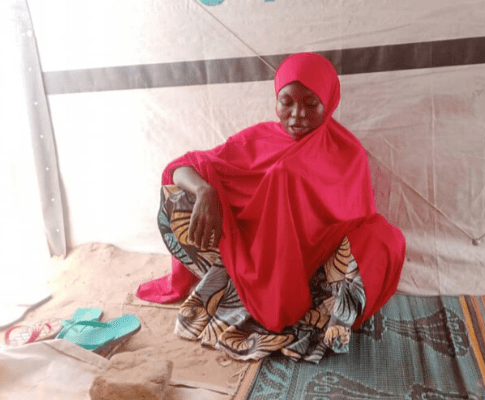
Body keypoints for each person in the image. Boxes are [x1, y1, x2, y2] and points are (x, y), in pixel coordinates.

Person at [137, 52, 406, 363]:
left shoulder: (348, 153)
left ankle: (311, 314)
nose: (297, 115)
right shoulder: (258, 139)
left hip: (318, 272)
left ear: (329, 102)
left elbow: (357, 219)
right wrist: (205, 190)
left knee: (383, 240)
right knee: (178, 197)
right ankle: (244, 294)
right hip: (249, 258)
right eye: (286, 102)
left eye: (311, 104)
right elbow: (181, 167)